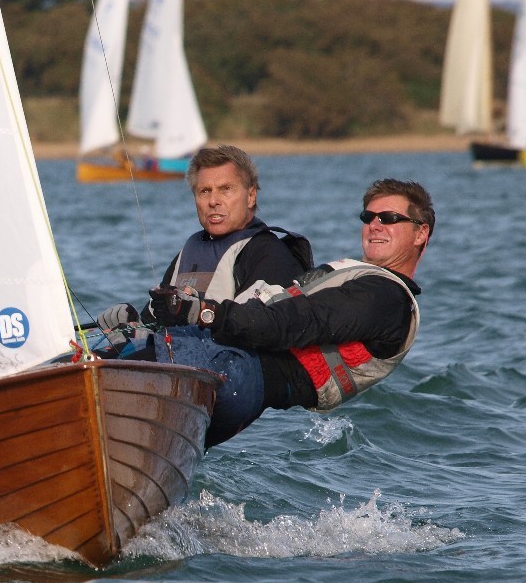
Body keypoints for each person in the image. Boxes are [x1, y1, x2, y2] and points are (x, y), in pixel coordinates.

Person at [128, 178, 433, 449]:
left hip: (241, 376)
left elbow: (292, 322)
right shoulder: (358, 278)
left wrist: (206, 313)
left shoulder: (387, 298)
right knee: (127, 341)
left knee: (125, 362)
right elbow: (256, 310)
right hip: (227, 363)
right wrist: (141, 323)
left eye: (390, 218)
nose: (375, 225)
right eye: (368, 217)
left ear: (420, 233)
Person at [96, 144, 313, 340]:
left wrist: (198, 312)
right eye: (204, 191)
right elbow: (156, 323)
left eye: (226, 189)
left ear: (251, 196)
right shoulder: (189, 251)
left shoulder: (269, 253)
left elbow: (260, 327)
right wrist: (130, 323)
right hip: (180, 362)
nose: (213, 201)